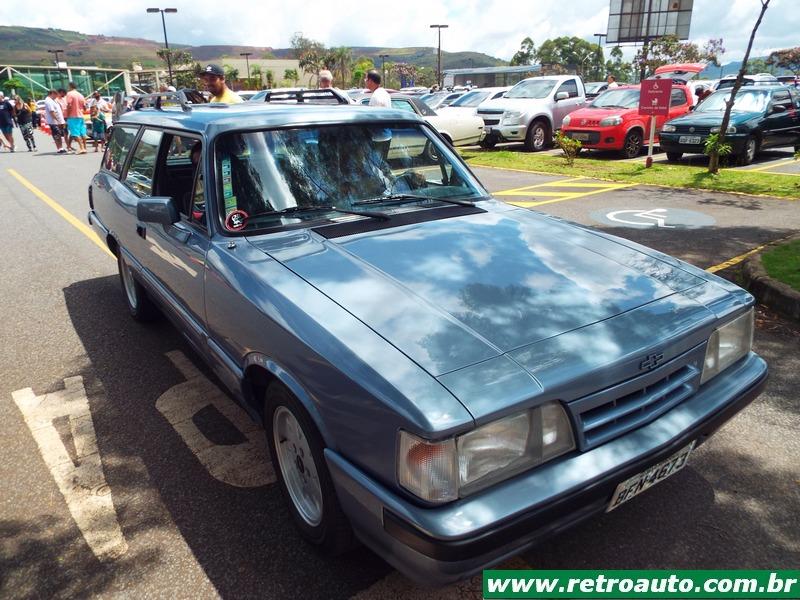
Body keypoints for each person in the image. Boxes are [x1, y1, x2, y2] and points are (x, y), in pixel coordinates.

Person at [65, 82, 88, 154]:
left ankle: (81, 148)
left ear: (70, 86)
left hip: (73, 116)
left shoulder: (69, 94)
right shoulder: (80, 95)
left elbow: (69, 105)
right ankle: (84, 147)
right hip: (80, 116)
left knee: (75, 133)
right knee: (82, 133)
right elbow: (85, 107)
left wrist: (68, 115)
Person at [44, 89, 67, 153]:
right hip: (54, 122)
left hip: (57, 121)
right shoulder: (48, 101)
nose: (56, 96)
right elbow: (52, 112)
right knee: (57, 134)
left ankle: (61, 147)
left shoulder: (53, 100)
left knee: (59, 134)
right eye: (55, 94)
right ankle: (59, 148)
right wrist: (58, 121)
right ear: (52, 94)